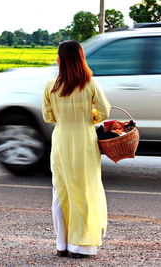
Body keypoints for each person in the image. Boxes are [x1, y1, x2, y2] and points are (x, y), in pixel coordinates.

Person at [42, 40, 111, 258]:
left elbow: (48, 116)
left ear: (60, 59)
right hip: (84, 141)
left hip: (61, 141)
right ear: (81, 58)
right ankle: (81, 247)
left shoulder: (50, 85)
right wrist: (89, 116)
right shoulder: (90, 84)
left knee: (61, 192)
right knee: (85, 192)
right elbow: (105, 112)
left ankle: (62, 244)